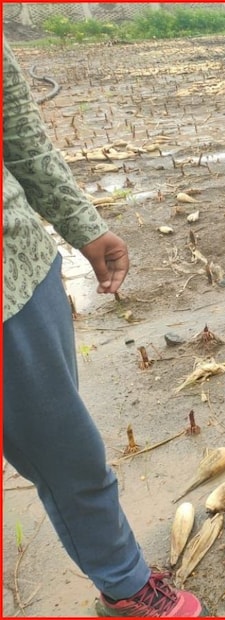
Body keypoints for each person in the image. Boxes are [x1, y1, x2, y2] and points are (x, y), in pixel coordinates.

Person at [2, 40, 205, 617]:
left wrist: (84, 226)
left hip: (14, 278)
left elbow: (21, 134)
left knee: (67, 449)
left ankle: (124, 584)